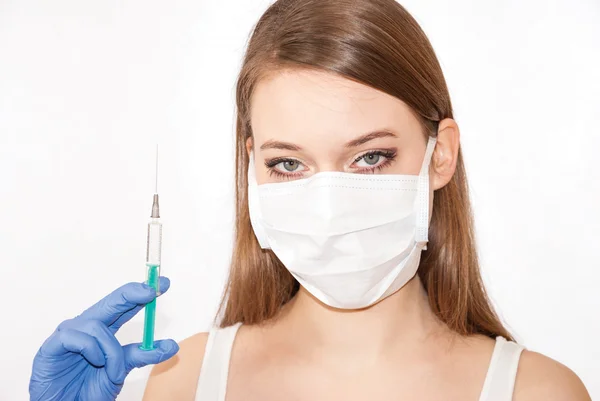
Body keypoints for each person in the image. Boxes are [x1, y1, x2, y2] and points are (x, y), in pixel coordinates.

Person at [29, 0, 592, 400]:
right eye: (289, 164)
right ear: (252, 167)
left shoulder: (539, 393)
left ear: (440, 155)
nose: (328, 205)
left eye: (369, 157)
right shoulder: (180, 381)